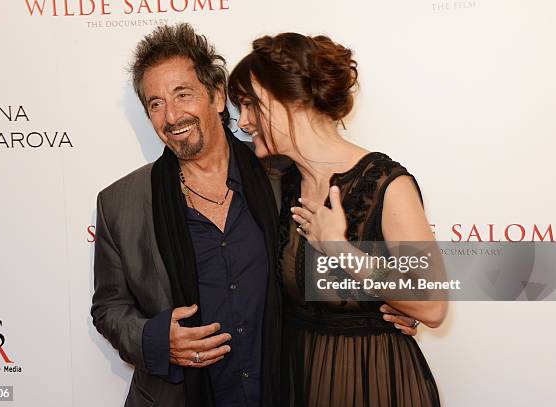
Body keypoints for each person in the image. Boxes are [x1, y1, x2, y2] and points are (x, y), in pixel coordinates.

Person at [91, 23, 421, 407]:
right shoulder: (120, 202)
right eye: (155, 103)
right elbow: (108, 308)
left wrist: (386, 307)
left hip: (286, 389)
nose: (171, 115)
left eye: (183, 94)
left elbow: (314, 269)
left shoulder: (285, 177)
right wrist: (154, 339)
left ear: (216, 96)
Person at [229, 32, 448, 406]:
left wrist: (340, 251)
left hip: (374, 386)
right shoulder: (280, 182)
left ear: (292, 102)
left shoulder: (384, 183)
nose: (244, 122)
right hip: (300, 383)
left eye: (251, 106)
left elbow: (431, 303)